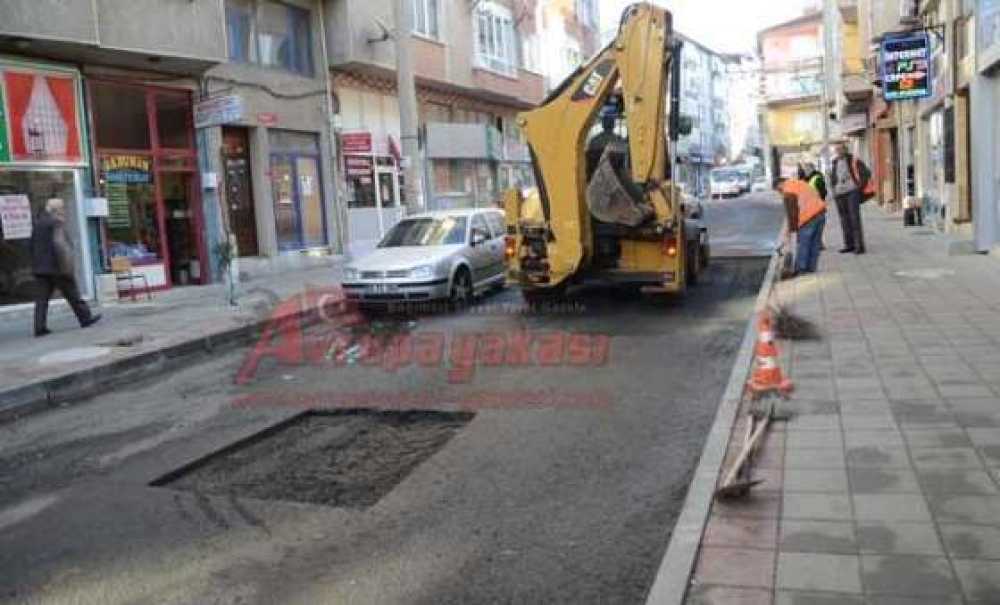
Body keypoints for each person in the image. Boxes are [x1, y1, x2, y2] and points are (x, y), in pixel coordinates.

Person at [31, 198, 101, 337]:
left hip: (41, 268)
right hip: (57, 267)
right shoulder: (56, 223)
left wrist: (36, 263)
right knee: (73, 294)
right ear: (57, 210)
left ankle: (39, 327)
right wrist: (68, 266)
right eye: (62, 208)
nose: (64, 211)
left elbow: (31, 245)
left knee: (41, 300)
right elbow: (61, 246)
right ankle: (85, 318)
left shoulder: (38, 224)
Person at [827, 142, 871, 254]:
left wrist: (858, 187)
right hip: (839, 194)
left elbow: (866, 174)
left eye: (840, 149)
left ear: (845, 150)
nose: (838, 152)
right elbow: (834, 178)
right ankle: (849, 244)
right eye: (836, 150)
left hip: (852, 192)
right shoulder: (835, 162)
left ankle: (859, 246)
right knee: (844, 220)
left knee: (854, 219)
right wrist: (834, 190)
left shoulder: (854, 160)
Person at [781, 179, 827, 275]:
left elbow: (792, 213)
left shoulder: (788, 191)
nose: (780, 193)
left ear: (779, 185)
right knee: (815, 242)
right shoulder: (800, 183)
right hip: (821, 212)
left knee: (803, 243)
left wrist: (792, 231)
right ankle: (811, 268)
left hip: (808, 217)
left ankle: (801, 269)